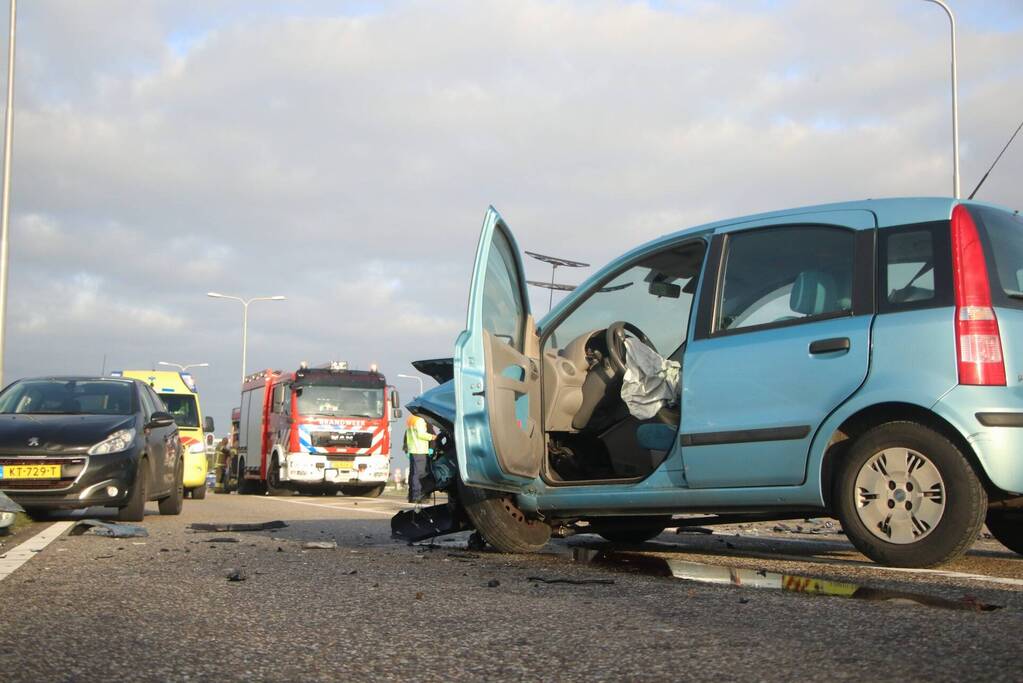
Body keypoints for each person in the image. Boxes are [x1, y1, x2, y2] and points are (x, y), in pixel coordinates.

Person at [404, 415, 436, 502]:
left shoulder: (411, 419)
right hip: (420, 450)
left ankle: (412, 496)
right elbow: (421, 434)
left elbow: (407, 435)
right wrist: (432, 437)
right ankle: (417, 496)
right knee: (420, 474)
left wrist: (406, 449)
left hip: (413, 450)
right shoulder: (420, 421)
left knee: (413, 474)